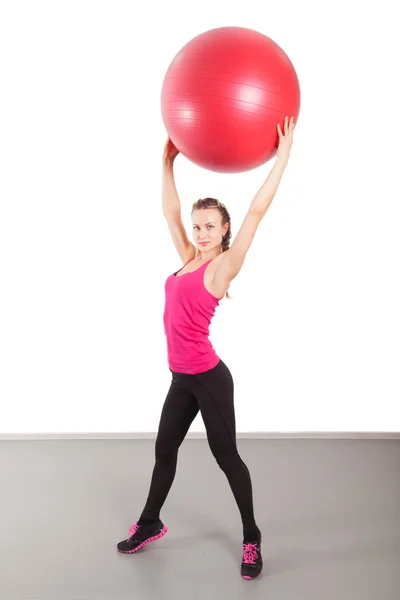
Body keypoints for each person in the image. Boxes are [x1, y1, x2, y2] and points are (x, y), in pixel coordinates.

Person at [117, 117, 296, 580]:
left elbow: (257, 212)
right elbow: (169, 213)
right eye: (197, 226)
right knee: (164, 450)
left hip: (209, 378)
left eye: (208, 227)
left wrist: (283, 156)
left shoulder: (220, 269)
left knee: (225, 456)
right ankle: (150, 523)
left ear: (223, 231)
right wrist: (166, 163)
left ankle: (252, 538)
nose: (199, 232)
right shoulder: (186, 260)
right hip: (181, 378)